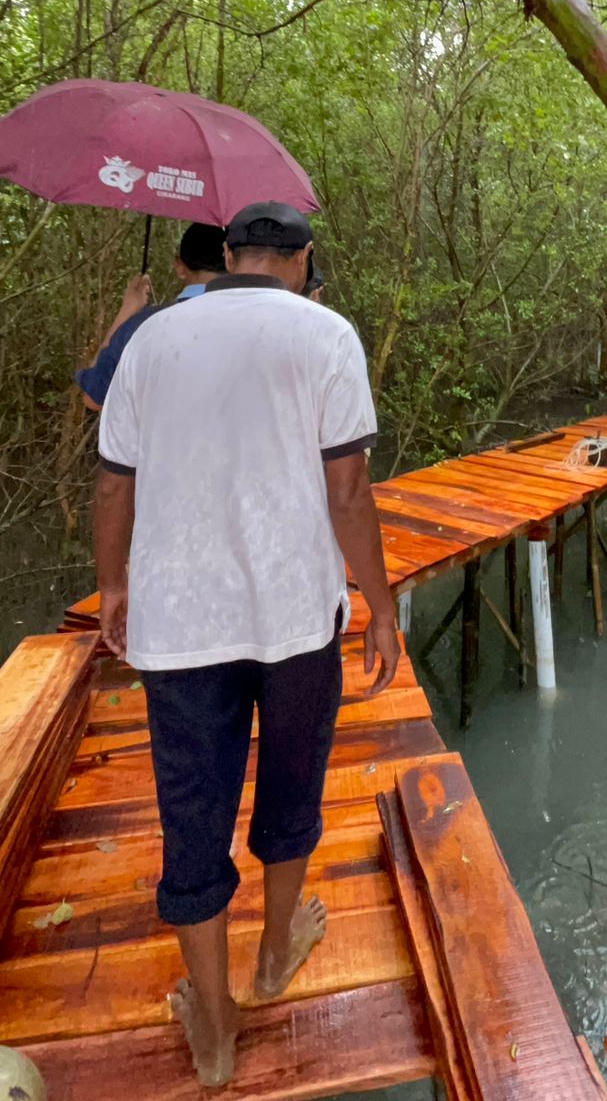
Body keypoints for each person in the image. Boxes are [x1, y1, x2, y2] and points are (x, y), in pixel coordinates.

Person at [93, 200, 400, 1088]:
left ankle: (217, 1030)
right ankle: (272, 960)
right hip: (298, 621)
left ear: (227, 254)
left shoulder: (151, 341)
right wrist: (379, 606)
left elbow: (114, 483)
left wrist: (114, 587)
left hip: (180, 624)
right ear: (303, 259)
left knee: (194, 810)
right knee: (292, 782)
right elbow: (349, 494)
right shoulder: (326, 335)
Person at [77, 222, 226, 410]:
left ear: (180, 267)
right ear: (232, 261)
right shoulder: (258, 324)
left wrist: (128, 310)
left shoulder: (143, 325)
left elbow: (95, 397)